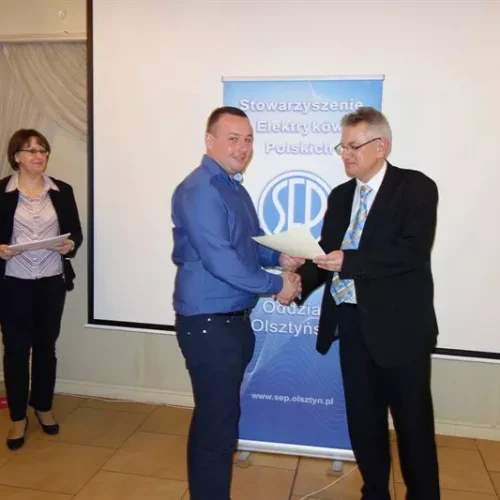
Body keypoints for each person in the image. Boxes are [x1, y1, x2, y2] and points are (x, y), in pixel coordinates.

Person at [296, 107, 440, 499]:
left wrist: (350, 261)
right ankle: (374, 492)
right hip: (352, 325)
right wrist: (296, 279)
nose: (346, 154)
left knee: (413, 427)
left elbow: (410, 252)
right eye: (342, 146)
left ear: (382, 146)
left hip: (401, 331)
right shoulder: (341, 195)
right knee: (364, 422)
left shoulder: (415, 188)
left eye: (354, 146)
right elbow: (326, 255)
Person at [171, 106, 303, 500]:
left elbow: (250, 245)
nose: (242, 147)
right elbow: (222, 261)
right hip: (209, 324)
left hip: (232, 322)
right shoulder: (201, 190)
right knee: (216, 426)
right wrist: (277, 285)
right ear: (209, 141)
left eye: (248, 139)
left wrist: (279, 256)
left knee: (222, 419)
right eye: (233, 139)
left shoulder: (234, 188)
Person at [0, 129, 83, 451]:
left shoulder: (62, 190)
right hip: (13, 283)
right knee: (16, 350)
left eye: (43, 150)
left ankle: (43, 407)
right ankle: (18, 417)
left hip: (50, 280)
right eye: (31, 150)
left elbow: (75, 233)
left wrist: (69, 245)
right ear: (16, 157)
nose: (39, 155)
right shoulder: (2, 192)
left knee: (46, 347)